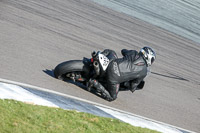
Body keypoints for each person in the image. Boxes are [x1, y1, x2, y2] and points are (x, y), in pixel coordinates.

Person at [87, 47, 156, 101]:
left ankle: (93, 60)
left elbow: (123, 51)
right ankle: (95, 83)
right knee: (112, 97)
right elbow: (133, 86)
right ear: (148, 58)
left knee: (111, 52)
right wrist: (133, 88)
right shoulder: (144, 72)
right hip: (114, 78)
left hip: (111, 64)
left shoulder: (134, 53)